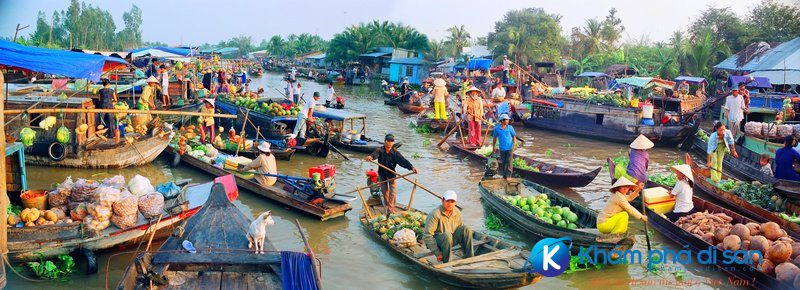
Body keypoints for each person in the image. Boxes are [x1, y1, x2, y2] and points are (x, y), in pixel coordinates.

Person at [365, 134, 417, 213]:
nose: (389, 143)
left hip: (391, 174)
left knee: (392, 192)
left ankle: (391, 207)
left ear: (393, 143)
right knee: (384, 191)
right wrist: (370, 157)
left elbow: (403, 161)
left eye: (391, 141)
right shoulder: (380, 150)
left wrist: (412, 167)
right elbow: (374, 155)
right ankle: (387, 206)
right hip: (382, 174)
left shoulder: (395, 153)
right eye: (388, 141)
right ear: (385, 141)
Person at [422, 190, 474, 263]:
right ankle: (447, 262)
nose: (449, 204)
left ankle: (470, 258)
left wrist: (463, 247)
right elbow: (427, 236)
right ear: (442, 200)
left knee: (466, 229)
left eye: (452, 201)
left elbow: (461, 231)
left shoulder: (457, 212)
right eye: (447, 201)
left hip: (451, 240)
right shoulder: (434, 214)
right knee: (447, 235)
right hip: (439, 242)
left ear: (455, 203)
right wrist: (437, 253)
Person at [492, 114, 517, 180]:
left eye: (508, 119)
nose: (508, 121)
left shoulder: (510, 128)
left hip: (510, 147)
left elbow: (514, 137)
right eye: (507, 119)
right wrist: (493, 147)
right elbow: (494, 138)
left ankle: (508, 176)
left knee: (509, 162)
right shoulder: (497, 128)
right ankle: (504, 175)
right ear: (502, 121)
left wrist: (514, 145)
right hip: (502, 148)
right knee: (503, 162)